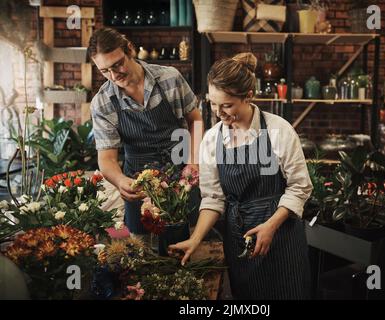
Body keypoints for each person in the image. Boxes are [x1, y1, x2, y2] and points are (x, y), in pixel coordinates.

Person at [169, 52, 313, 300]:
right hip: (238, 237)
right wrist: (196, 240)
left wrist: (270, 226)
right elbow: (213, 199)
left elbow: (300, 187)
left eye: (226, 105)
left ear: (248, 96)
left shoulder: (278, 130)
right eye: (213, 104)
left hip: (281, 235)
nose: (218, 112)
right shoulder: (213, 140)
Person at [88, 28, 202, 235]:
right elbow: (107, 158)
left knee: (184, 239)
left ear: (130, 49)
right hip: (137, 181)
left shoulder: (169, 79)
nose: (114, 75)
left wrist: (193, 163)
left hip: (180, 171)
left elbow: (195, 121)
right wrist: (121, 181)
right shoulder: (103, 102)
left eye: (117, 64)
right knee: (142, 247)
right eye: (105, 71)